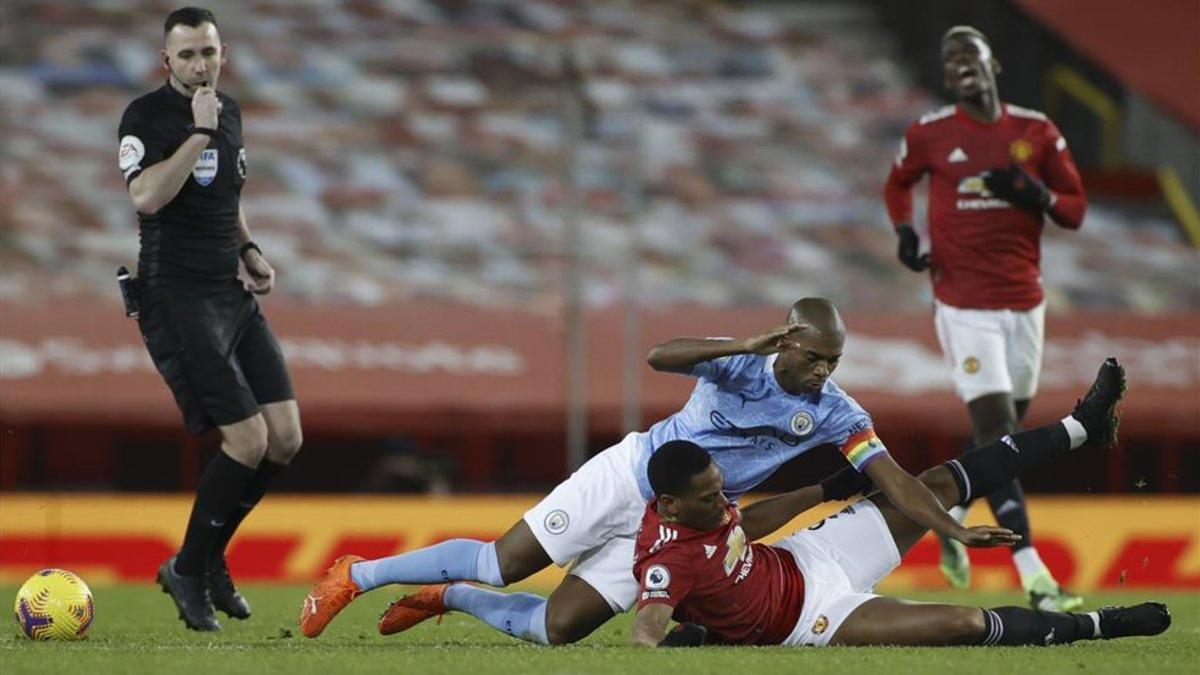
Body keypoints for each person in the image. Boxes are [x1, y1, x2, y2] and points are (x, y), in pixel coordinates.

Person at [304, 298, 1006, 644]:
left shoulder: (834, 410)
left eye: (833, 362)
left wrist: (952, 527)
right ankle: (356, 574)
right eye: (815, 357)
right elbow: (659, 356)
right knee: (502, 561)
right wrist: (744, 341)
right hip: (632, 476)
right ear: (788, 340)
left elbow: (893, 479)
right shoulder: (741, 359)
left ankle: (445, 598)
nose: (823, 372)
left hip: (679, 521)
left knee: (556, 627)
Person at [628, 358, 1170, 648]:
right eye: (710, 496)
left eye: (721, 487)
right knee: (959, 627)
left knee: (932, 482)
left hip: (809, 558)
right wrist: (658, 643)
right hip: (813, 618)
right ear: (670, 507)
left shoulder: (702, 502)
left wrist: (824, 491)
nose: (722, 499)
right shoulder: (665, 558)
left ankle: (1079, 426)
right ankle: (1100, 625)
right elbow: (647, 625)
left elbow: (743, 523)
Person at [882, 25, 1088, 610]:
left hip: (1025, 303)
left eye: (967, 52)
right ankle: (1037, 579)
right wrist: (904, 232)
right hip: (962, 303)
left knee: (1002, 439)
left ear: (992, 64)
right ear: (947, 79)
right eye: (948, 59)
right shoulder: (929, 133)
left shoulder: (1036, 131)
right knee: (999, 430)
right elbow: (896, 185)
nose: (958, 63)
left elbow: (1074, 209)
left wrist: (1034, 194)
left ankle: (950, 513)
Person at [117, 7, 302, 631]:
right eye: (188, 55)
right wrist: (196, 134)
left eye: (209, 52)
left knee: (286, 437)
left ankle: (206, 556)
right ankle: (190, 571)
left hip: (230, 290)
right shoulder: (147, 117)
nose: (201, 65)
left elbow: (228, 194)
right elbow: (144, 196)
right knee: (245, 441)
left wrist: (249, 248)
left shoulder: (232, 111)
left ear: (224, 53)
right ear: (165, 60)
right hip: (177, 294)